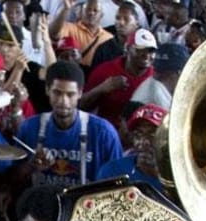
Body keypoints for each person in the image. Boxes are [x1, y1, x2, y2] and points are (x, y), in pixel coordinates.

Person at [14, 61, 124, 190]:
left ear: (80, 93)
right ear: (47, 90)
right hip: (40, 206)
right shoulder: (29, 128)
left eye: (70, 94)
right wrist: (32, 165)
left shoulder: (104, 133)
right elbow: (14, 180)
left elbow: (118, 185)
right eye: (57, 93)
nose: (63, 101)